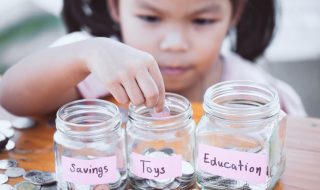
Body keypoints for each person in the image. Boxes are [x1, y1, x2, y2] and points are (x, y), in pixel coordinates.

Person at [0, 0, 306, 116]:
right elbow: (10, 96)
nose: (174, 44)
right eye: (149, 17)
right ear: (116, 8)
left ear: (234, 14)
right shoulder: (87, 64)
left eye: (201, 21)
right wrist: (87, 53)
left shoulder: (251, 90)